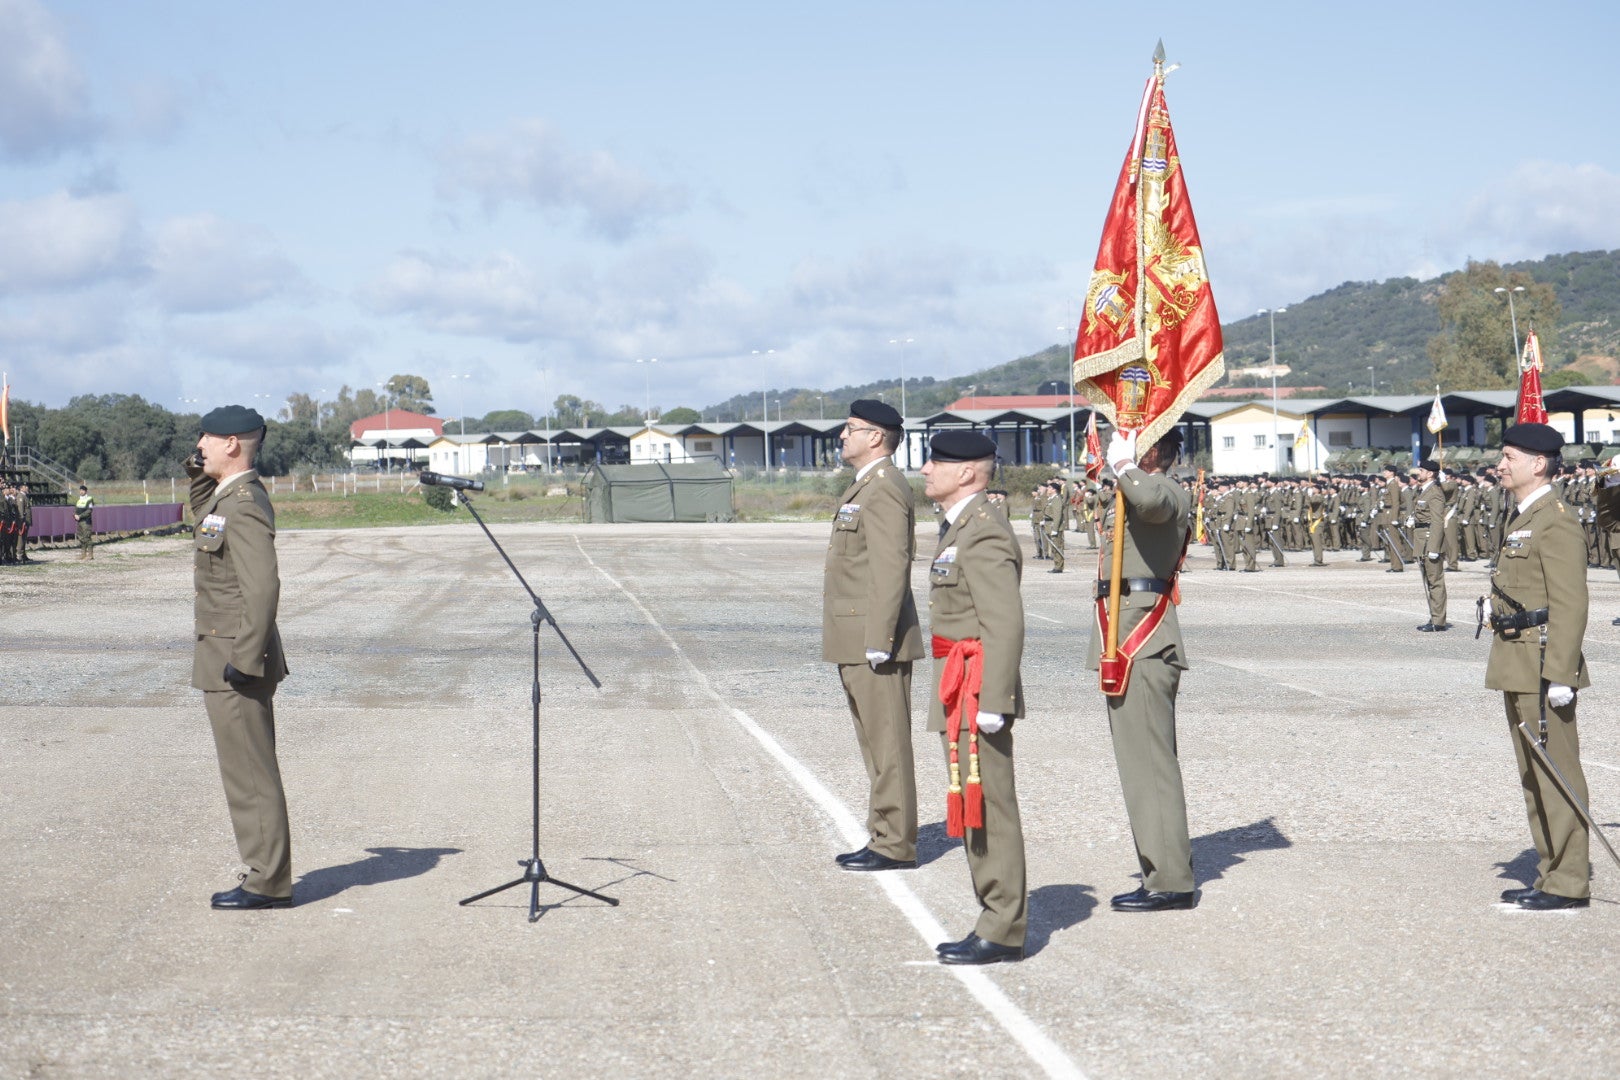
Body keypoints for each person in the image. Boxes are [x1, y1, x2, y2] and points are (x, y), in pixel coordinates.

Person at [921, 430, 1026, 964]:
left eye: (935, 462)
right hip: (957, 683)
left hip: (976, 686)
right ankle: (993, 913)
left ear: (966, 472)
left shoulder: (982, 531)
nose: (925, 470)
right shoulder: (960, 525)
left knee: (989, 806)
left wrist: (994, 700)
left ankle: (1002, 926)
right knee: (973, 801)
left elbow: (1003, 622)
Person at [189, 405, 294, 910]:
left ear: (232, 443)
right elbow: (201, 522)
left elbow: (263, 587)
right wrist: (198, 471)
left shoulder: (244, 503)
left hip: (235, 659)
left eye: (206, 438)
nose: (199, 445)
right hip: (224, 653)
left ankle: (267, 882)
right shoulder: (225, 497)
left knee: (251, 775)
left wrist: (247, 658)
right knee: (244, 772)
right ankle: (265, 874)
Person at [1484, 424, 1592, 911]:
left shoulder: (1555, 520)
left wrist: (1561, 675)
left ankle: (1569, 882)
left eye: (1509, 456)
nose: (1500, 465)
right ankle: (1551, 875)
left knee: (1556, 772)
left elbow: (1571, 603)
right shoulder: (1526, 515)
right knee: (1533, 775)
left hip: (1544, 663)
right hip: (1518, 659)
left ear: (1539, 463)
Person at [1091, 427, 1196, 911]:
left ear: (1154, 451)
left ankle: (1170, 880)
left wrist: (1123, 465)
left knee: (1150, 765)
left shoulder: (1168, 490)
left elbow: (1150, 502)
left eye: (1135, 443)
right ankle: (1160, 868)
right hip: (1124, 629)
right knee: (1139, 765)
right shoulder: (1135, 489)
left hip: (1144, 638)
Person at [823, 400, 924, 872]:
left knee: (888, 745)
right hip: (857, 634)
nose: (842, 435)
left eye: (851, 428)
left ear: (876, 437)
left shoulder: (883, 488)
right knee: (874, 745)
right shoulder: (866, 485)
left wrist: (880, 638)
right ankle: (884, 833)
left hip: (874, 638)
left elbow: (890, 567)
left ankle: (895, 843)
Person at [1412, 458, 1450, 631]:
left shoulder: (1434, 492)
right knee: (1429, 581)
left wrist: (1434, 548)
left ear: (1429, 474)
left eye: (1421, 471)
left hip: (1429, 542)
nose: (1418, 473)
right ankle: (1434, 617)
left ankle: (1438, 621)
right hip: (1422, 541)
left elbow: (1437, 522)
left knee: (1435, 582)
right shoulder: (1424, 491)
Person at [1041, 477, 1068, 573]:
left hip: (1054, 526)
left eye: (1049, 488)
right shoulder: (1051, 499)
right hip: (1049, 525)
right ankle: (1056, 565)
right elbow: (1049, 513)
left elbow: (1057, 515)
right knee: (1053, 547)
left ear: (1054, 490)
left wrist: (1055, 529)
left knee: (1057, 547)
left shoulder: (1056, 499)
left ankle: (1059, 567)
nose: (1047, 489)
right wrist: (1044, 521)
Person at [74, 483, 95, 560]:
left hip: (86, 521)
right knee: (81, 538)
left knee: (87, 538)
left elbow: (89, 511)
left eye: (83, 490)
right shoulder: (79, 500)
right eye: (80, 490)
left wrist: (80, 516)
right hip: (79, 522)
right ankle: (83, 554)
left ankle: (90, 555)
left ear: (86, 491)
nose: (81, 491)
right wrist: (75, 515)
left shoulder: (89, 499)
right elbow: (76, 509)